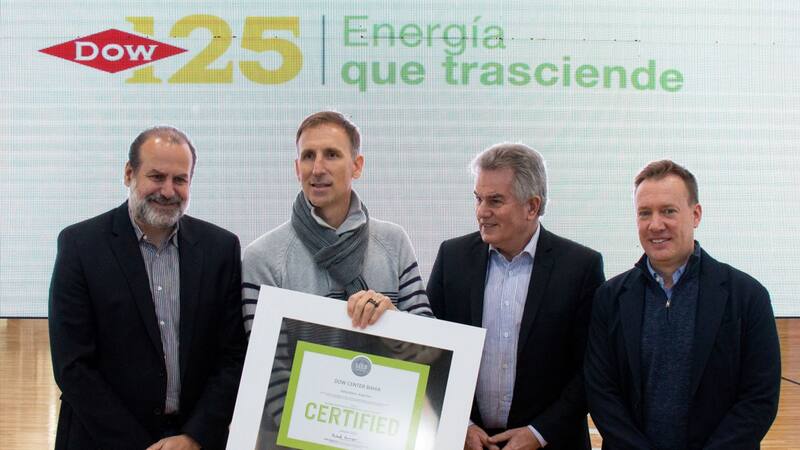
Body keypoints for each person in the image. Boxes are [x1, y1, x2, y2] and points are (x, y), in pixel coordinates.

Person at [48, 126, 246, 450]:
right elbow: (73, 366)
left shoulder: (220, 249)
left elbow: (233, 356)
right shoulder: (80, 246)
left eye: (180, 179)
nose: (168, 191)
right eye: (157, 176)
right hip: (101, 440)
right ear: (129, 174)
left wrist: (195, 435)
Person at [241, 110, 433, 428]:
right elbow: (268, 376)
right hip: (301, 441)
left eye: (331, 154)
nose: (318, 169)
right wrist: (335, 435)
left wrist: (394, 323)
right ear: (296, 168)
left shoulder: (393, 242)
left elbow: (427, 353)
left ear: (356, 166)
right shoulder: (263, 257)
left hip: (388, 431)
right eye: (307, 156)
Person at [585, 160, 781, 449]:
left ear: (696, 214)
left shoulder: (748, 296)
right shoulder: (610, 298)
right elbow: (602, 392)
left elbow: (759, 397)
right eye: (644, 213)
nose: (655, 225)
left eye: (668, 211)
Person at [427, 143, 605, 450]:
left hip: (552, 443)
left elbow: (591, 368)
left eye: (495, 200)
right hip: (467, 442)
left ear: (532, 206)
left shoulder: (580, 267)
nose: (482, 212)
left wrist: (538, 433)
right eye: (478, 199)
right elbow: (431, 351)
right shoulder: (452, 258)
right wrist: (461, 424)